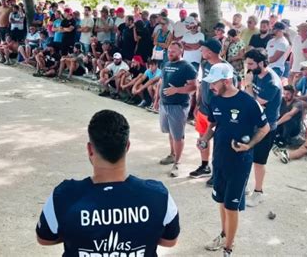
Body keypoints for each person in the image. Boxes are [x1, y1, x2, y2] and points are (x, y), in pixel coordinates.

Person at [36, 110, 180, 255]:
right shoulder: (158, 195)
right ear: (127, 146)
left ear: (90, 149)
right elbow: (169, 241)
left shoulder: (64, 196)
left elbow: (45, 239)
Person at [199, 63, 269, 257]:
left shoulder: (248, 102)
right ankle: (223, 234)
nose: (211, 86)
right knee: (221, 201)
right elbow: (213, 125)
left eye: (214, 82)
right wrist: (204, 139)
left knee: (231, 206)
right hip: (219, 158)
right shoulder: (215, 100)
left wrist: (249, 145)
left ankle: (228, 248)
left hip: (240, 162)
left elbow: (265, 128)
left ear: (227, 80)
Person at [244, 48, 282, 207]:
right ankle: (245, 186)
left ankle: (259, 192)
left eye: (251, 64)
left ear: (261, 63)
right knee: (246, 154)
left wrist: (247, 84)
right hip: (253, 122)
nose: (248, 67)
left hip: (265, 127)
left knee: (259, 161)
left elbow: (253, 103)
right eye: (247, 63)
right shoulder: (256, 74)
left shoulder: (271, 82)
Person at [158, 41, 197, 177]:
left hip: (178, 105)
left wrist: (177, 90)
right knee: (170, 131)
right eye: (169, 51)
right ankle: (172, 154)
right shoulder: (166, 64)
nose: (170, 53)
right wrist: (158, 99)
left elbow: (193, 87)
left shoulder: (187, 67)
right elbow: (162, 82)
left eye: (173, 51)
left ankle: (177, 163)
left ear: (181, 52)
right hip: (164, 104)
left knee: (178, 135)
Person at [189, 38, 225, 184]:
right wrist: (197, 104)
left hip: (217, 113)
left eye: (202, 49)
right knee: (202, 138)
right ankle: (205, 166)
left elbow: (229, 91)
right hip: (203, 109)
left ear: (209, 52)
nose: (200, 51)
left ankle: (218, 173)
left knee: (218, 143)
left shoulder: (224, 67)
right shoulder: (205, 64)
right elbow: (202, 85)